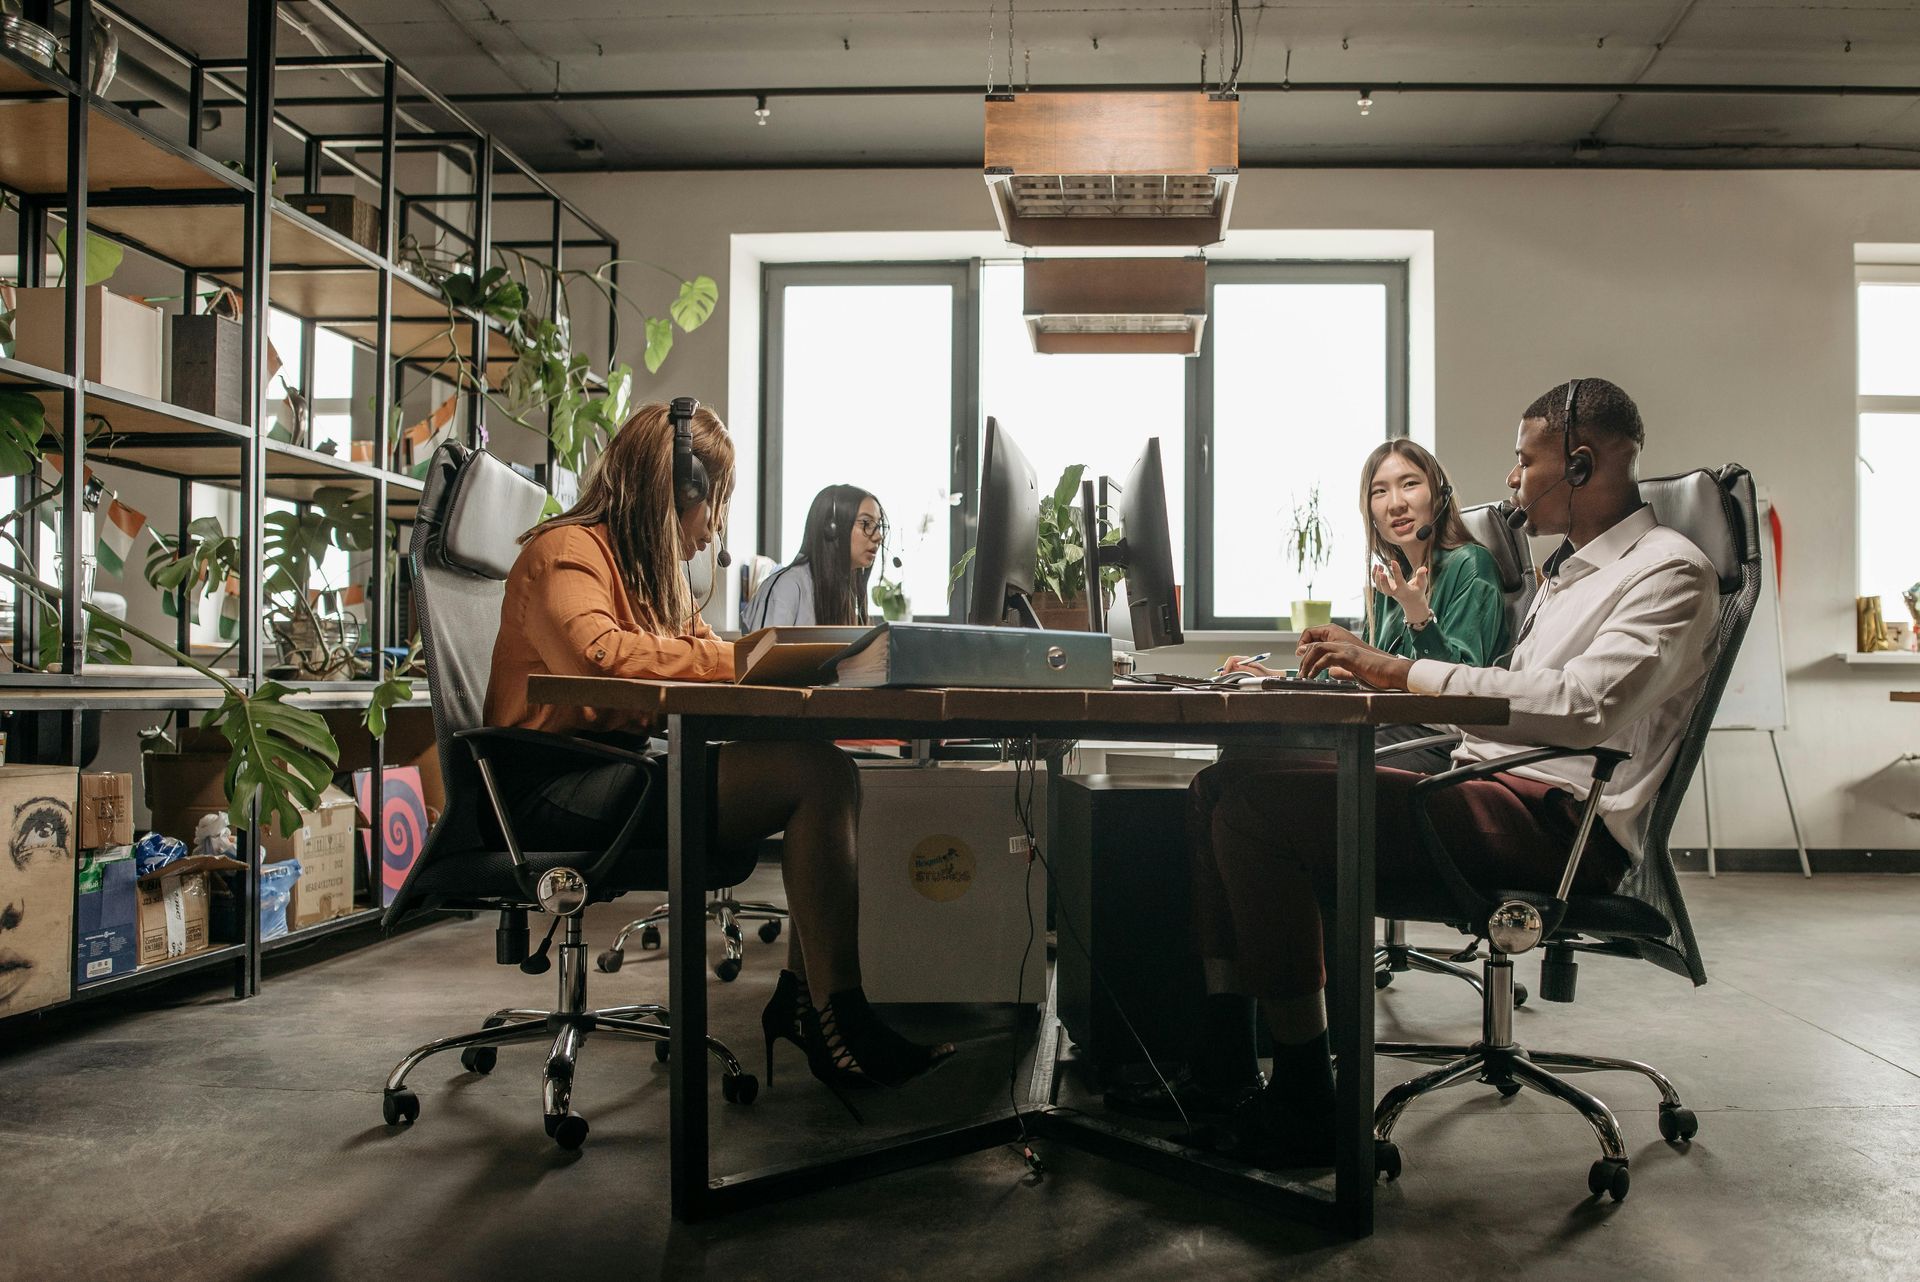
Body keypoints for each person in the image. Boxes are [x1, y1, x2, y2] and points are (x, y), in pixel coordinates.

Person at [1188, 377, 1720, 1167]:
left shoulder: (1667, 571)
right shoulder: (1567, 574)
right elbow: (1510, 700)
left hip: (1558, 825)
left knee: (1256, 809)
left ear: (1580, 465)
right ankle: (1226, 1068)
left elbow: (1580, 708)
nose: (1510, 481)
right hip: (1488, 787)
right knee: (1222, 784)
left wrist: (1398, 670)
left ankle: (1302, 1096)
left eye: (1523, 461)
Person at [484, 402, 952, 1097]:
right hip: (554, 788)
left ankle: (808, 1001)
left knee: (825, 770)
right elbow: (602, 657)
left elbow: (704, 651)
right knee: (814, 774)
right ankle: (836, 1019)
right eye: (717, 502)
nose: (717, 526)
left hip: (615, 772)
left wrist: (767, 658)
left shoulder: (647, 575)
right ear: (676, 488)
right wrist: (735, 660)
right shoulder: (565, 554)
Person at [1110, 441, 1510, 1119]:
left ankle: (1293, 1080)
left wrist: (1417, 613)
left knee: (1248, 794)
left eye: (1409, 485)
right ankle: (1226, 1049)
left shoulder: (1465, 567)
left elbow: (1458, 690)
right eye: (1380, 492)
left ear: (1436, 494)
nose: (1395, 502)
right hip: (1390, 737)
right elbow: (1367, 674)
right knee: (1218, 783)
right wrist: (1285, 678)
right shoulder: (1389, 578)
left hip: (1433, 751)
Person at [743, 485, 888, 630]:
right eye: (866, 523)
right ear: (832, 528)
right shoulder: (787, 587)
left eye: (878, 525)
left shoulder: (844, 592)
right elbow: (762, 652)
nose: (878, 536)